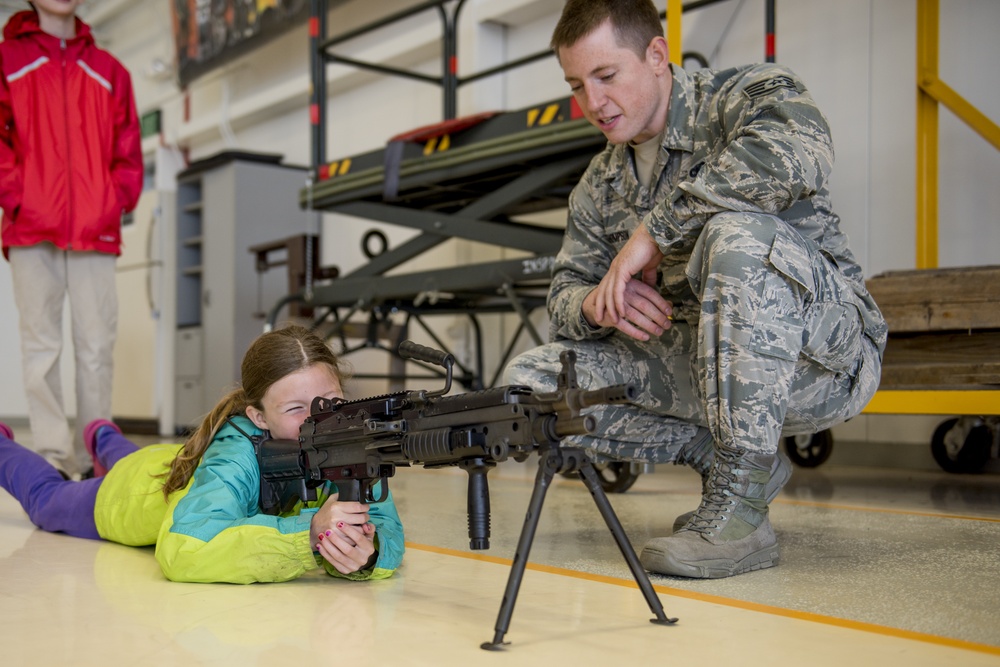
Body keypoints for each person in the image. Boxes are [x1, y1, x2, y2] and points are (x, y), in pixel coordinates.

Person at [504, 0, 885, 579]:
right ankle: (723, 462)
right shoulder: (599, 182)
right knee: (531, 384)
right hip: (701, 369)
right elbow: (563, 293)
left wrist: (652, 235)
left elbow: (800, 150)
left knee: (735, 237)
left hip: (820, 361)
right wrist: (597, 303)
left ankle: (741, 516)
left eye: (606, 76)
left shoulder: (742, 96)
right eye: (577, 86)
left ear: (657, 55)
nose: (593, 104)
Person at [0, 325, 405, 583]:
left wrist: (367, 555)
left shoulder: (345, 443)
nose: (320, 417)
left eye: (330, 401)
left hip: (167, 460)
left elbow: (386, 526)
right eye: (296, 408)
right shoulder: (234, 456)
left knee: (133, 456)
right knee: (47, 500)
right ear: (258, 417)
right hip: (131, 493)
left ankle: (103, 435)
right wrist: (308, 537)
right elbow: (181, 550)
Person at [0, 1, 143, 479]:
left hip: (94, 226)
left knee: (96, 345)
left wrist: (113, 199)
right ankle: (53, 458)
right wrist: (16, 194)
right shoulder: (8, 60)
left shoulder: (110, 71)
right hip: (29, 223)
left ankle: (94, 455)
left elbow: (128, 147)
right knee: (41, 347)